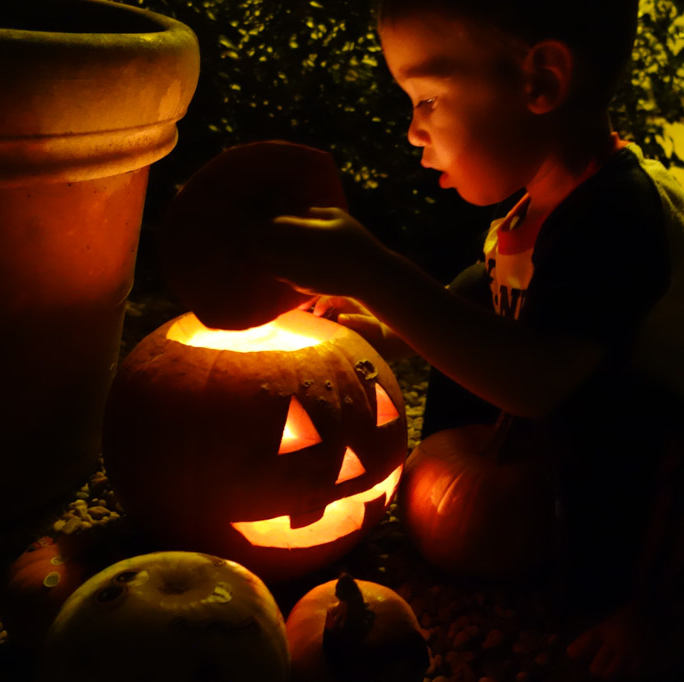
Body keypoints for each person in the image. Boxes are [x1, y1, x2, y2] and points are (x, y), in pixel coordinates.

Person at [251, 1, 684, 680]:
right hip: (570, 476)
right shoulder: (541, 203)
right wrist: (391, 331)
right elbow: (486, 292)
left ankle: (657, 613)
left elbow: (536, 377)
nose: (412, 132)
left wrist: (374, 272)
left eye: (426, 98)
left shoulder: (616, 217)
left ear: (540, 80)